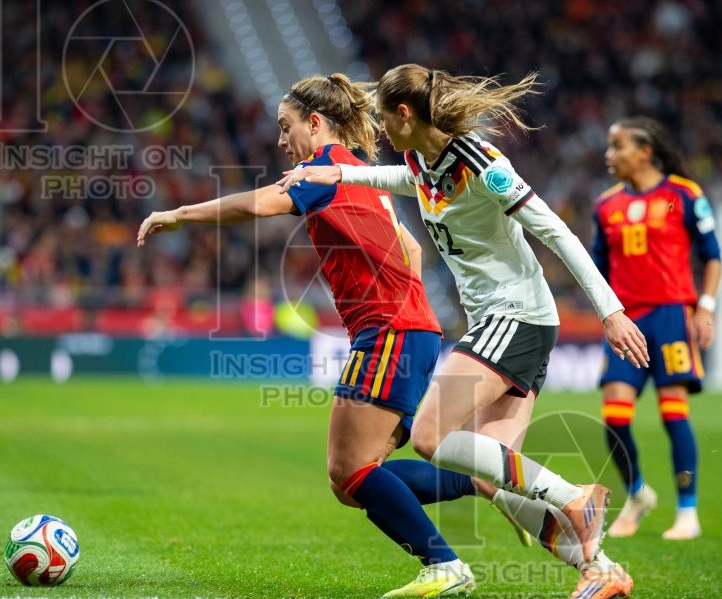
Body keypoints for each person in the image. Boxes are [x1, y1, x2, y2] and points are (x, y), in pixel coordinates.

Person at [278, 64, 648, 599]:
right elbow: (408, 181)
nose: (378, 129)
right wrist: (339, 175)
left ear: (405, 113)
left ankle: (575, 496)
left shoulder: (483, 162)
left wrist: (610, 311)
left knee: (429, 435)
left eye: (383, 117)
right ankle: (603, 570)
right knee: (492, 477)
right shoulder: (421, 160)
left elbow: (556, 231)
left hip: (515, 316)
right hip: (503, 322)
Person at [138, 73, 491, 598]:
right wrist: (400, 301)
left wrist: (180, 213)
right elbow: (411, 252)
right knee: (357, 479)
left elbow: (257, 206)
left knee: (349, 473)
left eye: (286, 127)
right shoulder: (363, 175)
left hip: (387, 332)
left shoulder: (319, 171)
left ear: (315, 122)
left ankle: (445, 563)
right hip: (412, 331)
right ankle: (484, 482)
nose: (282, 140)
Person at [592, 116, 722, 541]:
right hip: (626, 318)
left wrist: (705, 306)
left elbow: (713, 255)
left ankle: (688, 512)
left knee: (673, 413)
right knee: (614, 416)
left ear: (645, 151)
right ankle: (637, 493)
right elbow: (598, 269)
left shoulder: (682, 195)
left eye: (618, 146)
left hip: (670, 316)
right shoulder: (605, 205)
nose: (609, 155)